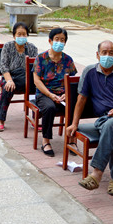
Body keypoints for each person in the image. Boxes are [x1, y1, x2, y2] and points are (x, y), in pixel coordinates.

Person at [66, 40, 113, 196]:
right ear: (97, 55)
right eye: (104, 52)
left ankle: (97, 173)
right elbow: (81, 99)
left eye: (111, 53)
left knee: (110, 127)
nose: (107, 56)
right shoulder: (89, 72)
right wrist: (74, 124)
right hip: (105, 120)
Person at [33, 28, 77, 157]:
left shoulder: (68, 60)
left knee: (76, 105)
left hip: (63, 94)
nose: (59, 42)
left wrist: (67, 94)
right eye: (57, 39)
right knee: (50, 107)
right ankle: (45, 141)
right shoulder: (41, 58)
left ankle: (72, 140)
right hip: (44, 94)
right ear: (50, 41)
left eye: (62, 40)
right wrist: (50, 95)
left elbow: (72, 80)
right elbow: (37, 81)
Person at [0, 22, 38, 131]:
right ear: (14, 35)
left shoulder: (32, 48)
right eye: (19, 34)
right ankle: (1, 119)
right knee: (7, 88)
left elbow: (35, 67)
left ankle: (35, 118)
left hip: (27, 77)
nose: (21, 37)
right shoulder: (7, 47)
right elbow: (3, 66)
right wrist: (9, 80)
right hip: (10, 76)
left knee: (36, 86)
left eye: (24, 34)